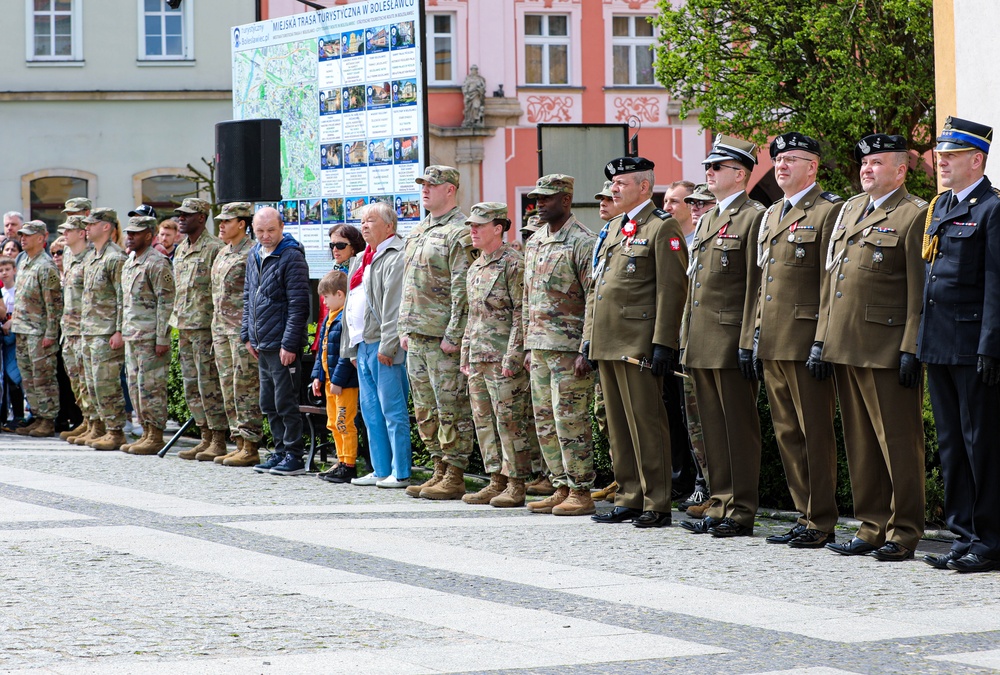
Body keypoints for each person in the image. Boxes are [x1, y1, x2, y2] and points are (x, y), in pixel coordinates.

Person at [818, 134, 928, 561]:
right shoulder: (850, 210)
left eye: (877, 163)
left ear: (900, 171)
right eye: (864, 162)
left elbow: (918, 291)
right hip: (846, 344)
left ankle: (904, 531)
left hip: (886, 347)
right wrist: (822, 339)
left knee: (898, 443)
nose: (866, 168)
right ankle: (871, 525)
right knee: (861, 443)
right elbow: (833, 281)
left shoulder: (913, 214)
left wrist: (910, 347)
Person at [747, 132, 843, 550]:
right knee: (787, 433)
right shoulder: (770, 216)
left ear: (813, 167)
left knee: (814, 433)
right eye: (778, 159)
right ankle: (804, 513)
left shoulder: (828, 212)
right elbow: (762, 282)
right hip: (772, 341)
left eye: (792, 159)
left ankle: (821, 519)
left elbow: (831, 283)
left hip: (805, 340)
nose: (781, 165)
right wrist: (753, 336)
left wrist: (823, 339)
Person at [586, 158, 688, 528]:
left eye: (622, 183)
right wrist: (589, 338)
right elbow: (598, 287)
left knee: (646, 422)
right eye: (612, 182)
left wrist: (664, 343)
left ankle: (656, 501)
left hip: (638, 344)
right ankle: (629, 495)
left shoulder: (663, 228)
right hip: (608, 340)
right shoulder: (615, 227)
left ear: (644, 187)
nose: (614, 188)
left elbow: (672, 289)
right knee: (618, 425)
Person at [918, 116, 1000, 573]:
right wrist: (920, 342)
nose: (941, 163)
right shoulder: (942, 207)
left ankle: (990, 539)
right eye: (940, 157)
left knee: (980, 444)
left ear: (976, 159)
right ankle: (963, 534)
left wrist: (992, 344)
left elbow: (995, 282)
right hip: (939, 343)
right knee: (951, 444)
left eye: (950, 157)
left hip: (973, 346)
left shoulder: (992, 209)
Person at [680, 134, 766, 538]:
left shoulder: (753, 217)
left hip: (731, 338)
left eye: (716, 168)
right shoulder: (711, 218)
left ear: (740, 174)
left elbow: (755, 286)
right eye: (708, 167)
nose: (709, 174)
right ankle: (719, 502)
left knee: (738, 428)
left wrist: (749, 339)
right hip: (701, 339)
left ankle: (742, 508)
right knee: (711, 428)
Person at [398, 166, 475, 500]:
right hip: (416, 333)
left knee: (451, 407)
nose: (425, 190)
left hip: (442, 337)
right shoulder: (419, 230)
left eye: (432, 185)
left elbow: (463, 288)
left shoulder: (460, 231)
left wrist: (454, 334)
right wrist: (404, 326)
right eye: (423, 185)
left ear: (451, 190)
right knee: (425, 408)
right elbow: (409, 284)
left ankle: (455, 473)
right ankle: (438, 467)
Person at [523, 174, 597, 516]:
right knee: (545, 420)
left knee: (571, 421)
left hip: (569, 350)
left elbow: (593, 298)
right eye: (537, 198)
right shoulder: (535, 241)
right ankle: (560, 485)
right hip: (539, 347)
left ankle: (581, 490)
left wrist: (586, 347)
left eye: (547, 198)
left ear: (565, 200)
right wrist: (526, 344)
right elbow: (527, 297)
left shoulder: (582, 241)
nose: (539, 204)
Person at [460, 202, 537, 507]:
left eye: (479, 225)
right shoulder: (476, 265)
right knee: (483, 421)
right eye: (471, 226)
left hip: (503, 357)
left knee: (510, 421)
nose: (473, 231)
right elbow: (473, 314)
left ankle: (517, 483)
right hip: (479, 356)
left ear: (498, 228)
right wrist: (466, 353)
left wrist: (514, 356)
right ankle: (496, 480)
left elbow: (522, 313)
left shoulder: (513, 263)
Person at [343, 202, 411, 487]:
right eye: (363, 221)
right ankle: (380, 468)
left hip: (384, 345)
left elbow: (393, 305)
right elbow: (350, 304)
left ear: (389, 226)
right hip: (362, 344)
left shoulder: (397, 255)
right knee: (370, 411)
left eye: (371, 220)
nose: (365, 225)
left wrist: (387, 344)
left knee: (392, 410)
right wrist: (350, 348)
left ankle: (402, 471)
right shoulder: (361, 258)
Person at [243, 207, 311, 476]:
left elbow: (298, 304)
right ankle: (279, 451)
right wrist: (247, 334)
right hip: (262, 343)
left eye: (270, 230)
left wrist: (290, 343)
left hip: (281, 343)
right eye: (259, 231)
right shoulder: (254, 254)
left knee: (286, 401)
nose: (265, 236)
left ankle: (294, 454)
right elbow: (249, 295)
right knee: (268, 402)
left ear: (282, 227)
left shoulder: (291, 256)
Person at [169, 198, 227, 461]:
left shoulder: (214, 248)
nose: (181, 219)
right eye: (179, 215)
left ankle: (218, 438)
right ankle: (204, 436)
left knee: (209, 384)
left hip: (205, 327)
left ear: (202, 218)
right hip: (185, 325)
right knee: (191, 385)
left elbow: (219, 293)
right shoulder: (181, 249)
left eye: (187, 215)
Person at [208, 203, 263, 466]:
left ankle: (251, 444)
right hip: (221, 329)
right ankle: (238, 441)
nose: (221, 225)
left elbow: (256, 293)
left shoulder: (253, 252)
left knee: (245, 387)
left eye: (227, 221)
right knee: (228, 387)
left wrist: (251, 330)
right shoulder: (222, 253)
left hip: (241, 330)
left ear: (242, 224)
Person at [119, 215, 175, 455]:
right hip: (133, 335)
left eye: (136, 233)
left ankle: (156, 435)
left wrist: (162, 337)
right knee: (135, 387)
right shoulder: (131, 261)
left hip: (151, 337)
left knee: (151, 387)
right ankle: (145, 431)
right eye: (129, 232)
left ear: (149, 236)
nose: (129, 236)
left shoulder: (157, 263)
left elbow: (166, 302)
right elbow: (125, 301)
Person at [74, 208, 127, 450]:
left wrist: (119, 330)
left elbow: (122, 297)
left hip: (106, 331)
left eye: (91, 223)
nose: (87, 227)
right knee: (91, 383)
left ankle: (115, 431)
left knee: (106, 383)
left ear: (106, 226)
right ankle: (99, 427)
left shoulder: (115, 258)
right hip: (90, 330)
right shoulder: (92, 256)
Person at [588, 179, 625, 504]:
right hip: (602, 340)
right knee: (606, 415)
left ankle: (629, 480)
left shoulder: (625, 233)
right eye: (600, 198)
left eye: (608, 197)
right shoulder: (606, 235)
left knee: (625, 416)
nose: (603, 202)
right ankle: (620, 477)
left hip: (624, 341)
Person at [11, 220, 62, 437]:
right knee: (28, 378)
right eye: (22, 235)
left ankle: (48, 420)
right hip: (23, 329)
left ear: (41, 238)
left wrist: (51, 333)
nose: (23, 238)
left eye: (28, 235)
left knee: (43, 378)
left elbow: (53, 304)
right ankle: (37, 416)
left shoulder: (46, 266)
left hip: (39, 332)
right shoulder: (24, 261)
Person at [310, 270, 360, 481]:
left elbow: (345, 354)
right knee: (333, 423)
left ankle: (348, 463)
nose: (324, 302)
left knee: (343, 422)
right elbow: (323, 350)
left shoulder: (344, 319)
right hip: (330, 382)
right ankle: (340, 460)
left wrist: (337, 380)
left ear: (340, 294)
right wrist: (317, 376)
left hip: (343, 384)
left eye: (327, 297)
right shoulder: (330, 319)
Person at [58, 215, 93, 443]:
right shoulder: (69, 257)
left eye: (69, 230)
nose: (64, 234)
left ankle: (96, 424)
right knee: (76, 381)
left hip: (85, 329)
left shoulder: (90, 258)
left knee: (89, 381)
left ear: (82, 233)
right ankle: (87, 421)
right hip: (69, 329)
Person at [0, 256, 22, 431]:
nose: (4, 273)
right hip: (5, 340)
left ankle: (20, 415)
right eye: (1, 270)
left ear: (14, 270)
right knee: (8, 377)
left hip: (19, 338)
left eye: (7, 269)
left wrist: (11, 321)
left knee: (17, 377)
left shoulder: (19, 290)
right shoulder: (3, 292)